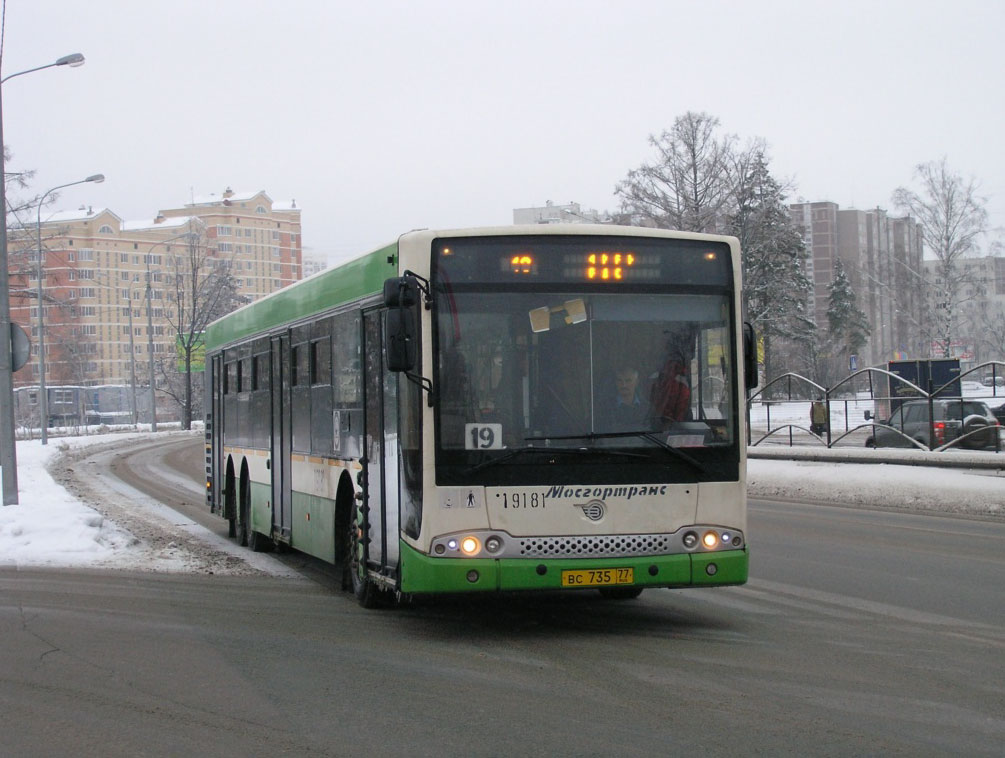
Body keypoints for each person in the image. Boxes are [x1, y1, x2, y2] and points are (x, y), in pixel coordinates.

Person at [600, 366, 648, 431]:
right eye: (620, 380)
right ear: (615, 383)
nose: (624, 385)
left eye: (628, 381)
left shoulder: (647, 407)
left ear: (636, 382)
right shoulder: (605, 407)